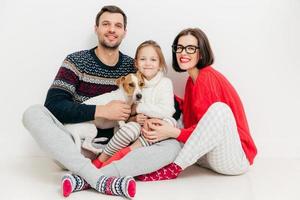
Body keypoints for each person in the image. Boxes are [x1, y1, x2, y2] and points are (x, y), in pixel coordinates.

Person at [22, 5, 181, 198]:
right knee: (33, 113)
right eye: (106, 24)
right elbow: (54, 106)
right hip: (74, 147)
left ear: (124, 32)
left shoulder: (134, 67)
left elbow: (169, 104)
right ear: (96, 28)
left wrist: (149, 121)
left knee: (173, 146)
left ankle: (87, 178)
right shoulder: (76, 61)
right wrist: (101, 111)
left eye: (118, 25)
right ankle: (99, 179)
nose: (112, 29)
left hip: (117, 149)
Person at [136, 27, 257, 181]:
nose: (183, 53)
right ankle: (144, 163)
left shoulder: (206, 78)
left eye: (190, 48)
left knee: (220, 110)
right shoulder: (191, 81)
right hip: (208, 157)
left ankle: (174, 168)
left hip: (234, 158)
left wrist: (172, 132)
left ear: (201, 53)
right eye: (179, 48)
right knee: (172, 119)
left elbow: (206, 127)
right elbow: (191, 115)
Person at [62, 40, 177, 196]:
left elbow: (168, 111)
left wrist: (138, 109)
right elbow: (126, 116)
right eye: (143, 59)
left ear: (160, 63)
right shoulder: (135, 83)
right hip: (136, 133)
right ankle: (99, 167)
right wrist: (134, 118)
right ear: (136, 63)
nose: (148, 63)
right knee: (130, 130)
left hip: (154, 133)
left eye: (153, 59)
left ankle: (91, 175)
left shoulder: (164, 83)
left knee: (171, 136)